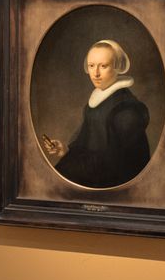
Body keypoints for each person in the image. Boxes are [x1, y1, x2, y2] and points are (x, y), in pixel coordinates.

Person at [41, 39, 151, 188]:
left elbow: (116, 166)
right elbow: (87, 141)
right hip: (93, 171)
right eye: (91, 66)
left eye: (103, 66)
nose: (96, 73)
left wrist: (75, 163)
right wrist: (67, 151)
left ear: (117, 67)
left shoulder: (125, 110)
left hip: (113, 184)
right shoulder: (96, 101)